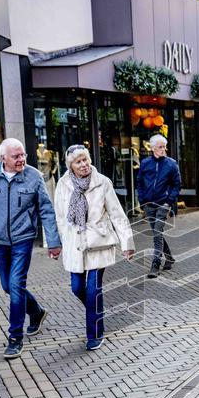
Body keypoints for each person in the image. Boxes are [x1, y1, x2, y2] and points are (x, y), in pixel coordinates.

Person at [0, 138, 61, 359]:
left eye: (23, 154)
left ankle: (15, 338)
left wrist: (53, 241)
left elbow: (46, 210)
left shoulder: (33, 176)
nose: (22, 159)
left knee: (15, 285)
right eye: (16, 156)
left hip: (23, 238)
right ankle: (36, 311)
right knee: (7, 285)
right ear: (3, 158)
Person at [54, 145, 134, 350]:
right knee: (76, 288)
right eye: (78, 161)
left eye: (86, 160)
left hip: (99, 242)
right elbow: (60, 217)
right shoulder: (63, 184)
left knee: (92, 290)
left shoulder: (103, 182)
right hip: (75, 244)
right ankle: (96, 311)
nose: (84, 164)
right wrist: (61, 241)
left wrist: (127, 243)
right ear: (70, 165)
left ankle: (95, 334)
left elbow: (117, 214)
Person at [136, 134, 181, 278]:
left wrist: (169, 201)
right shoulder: (145, 163)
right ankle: (169, 258)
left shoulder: (171, 164)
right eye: (160, 147)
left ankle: (155, 264)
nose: (163, 149)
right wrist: (142, 200)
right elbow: (140, 182)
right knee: (158, 233)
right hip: (149, 204)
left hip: (163, 203)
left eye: (164, 146)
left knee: (157, 232)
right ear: (153, 148)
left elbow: (177, 184)